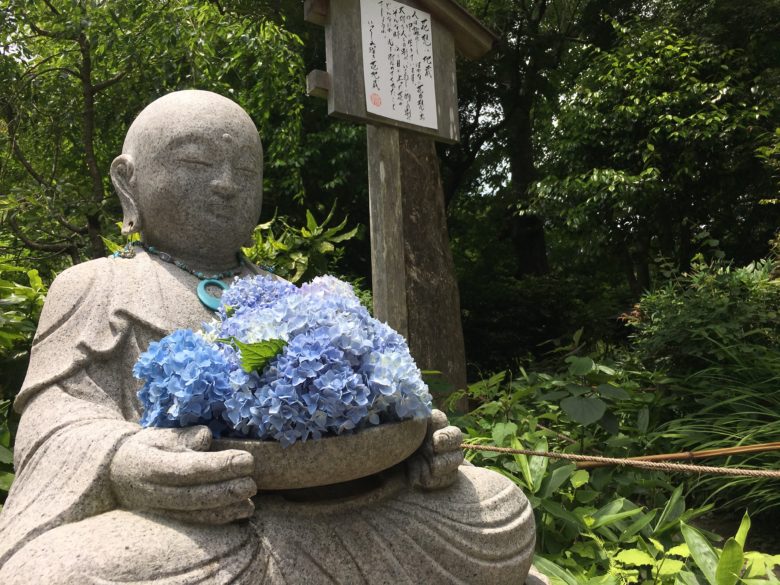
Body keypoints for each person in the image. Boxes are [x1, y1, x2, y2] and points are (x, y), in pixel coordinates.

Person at [0, 90, 534, 584]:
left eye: (246, 171)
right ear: (127, 181)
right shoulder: (96, 285)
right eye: (196, 163)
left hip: (344, 503)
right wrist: (124, 460)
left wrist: (411, 435)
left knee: (498, 506)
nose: (226, 184)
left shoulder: (288, 293)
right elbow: (53, 421)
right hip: (207, 525)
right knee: (59, 573)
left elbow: (356, 403)